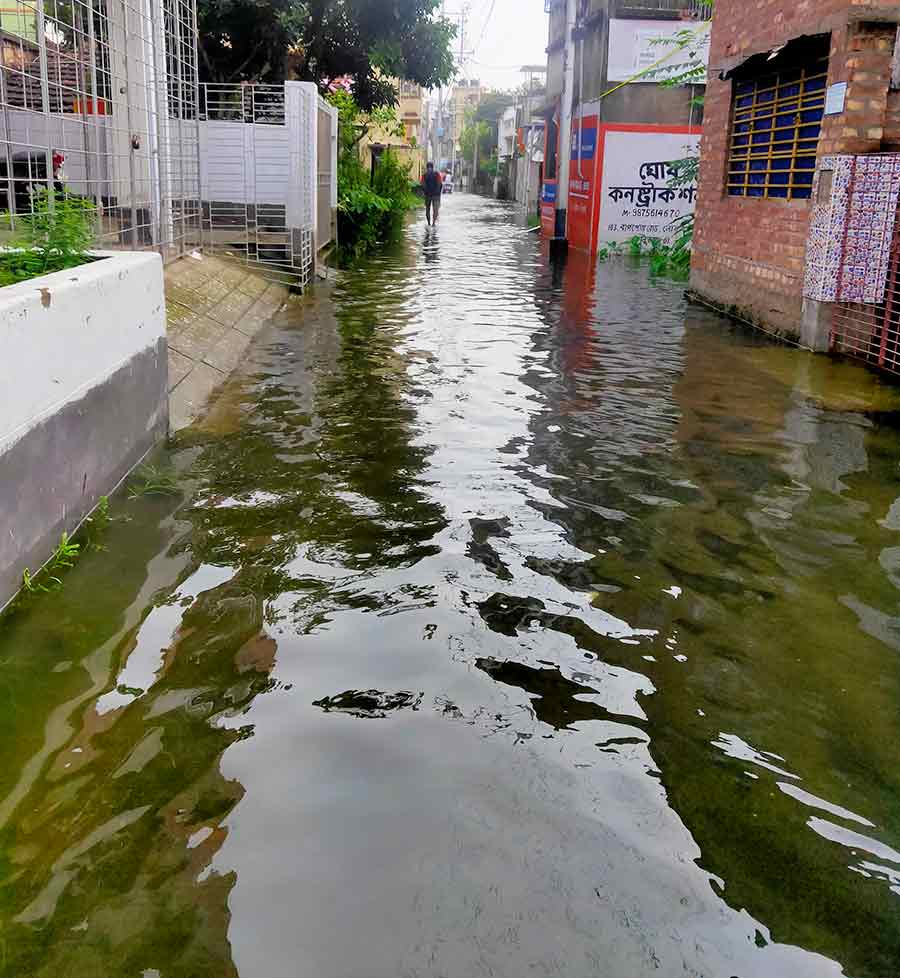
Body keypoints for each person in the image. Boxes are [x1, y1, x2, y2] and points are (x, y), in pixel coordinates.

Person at [422, 162, 443, 226]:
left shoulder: (424, 175)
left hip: (428, 195)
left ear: (427, 167)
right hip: (436, 195)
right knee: (435, 210)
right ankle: (433, 223)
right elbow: (440, 183)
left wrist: (425, 192)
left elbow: (422, 185)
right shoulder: (437, 174)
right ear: (433, 167)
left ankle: (428, 223)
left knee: (427, 209)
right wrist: (438, 193)